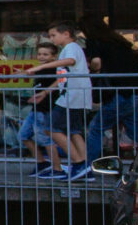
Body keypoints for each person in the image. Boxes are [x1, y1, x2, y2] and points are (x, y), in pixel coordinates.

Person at [29, 22, 93, 180]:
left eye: (53, 35)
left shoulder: (70, 48)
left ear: (66, 34)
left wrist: (41, 67)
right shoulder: (70, 48)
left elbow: (69, 62)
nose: (52, 39)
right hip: (76, 94)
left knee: (51, 127)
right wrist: (45, 92)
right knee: (74, 130)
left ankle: (78, 163)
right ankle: (85, 166)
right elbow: (63, 76)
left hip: (72, 95)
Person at [83, 16, 138, 165]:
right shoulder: (119, 41)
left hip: (121, 92)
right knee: (135, 129)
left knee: (96, 128)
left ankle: (88, 166)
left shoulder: (94, 41)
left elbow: (96, 62)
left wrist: (92, 71)